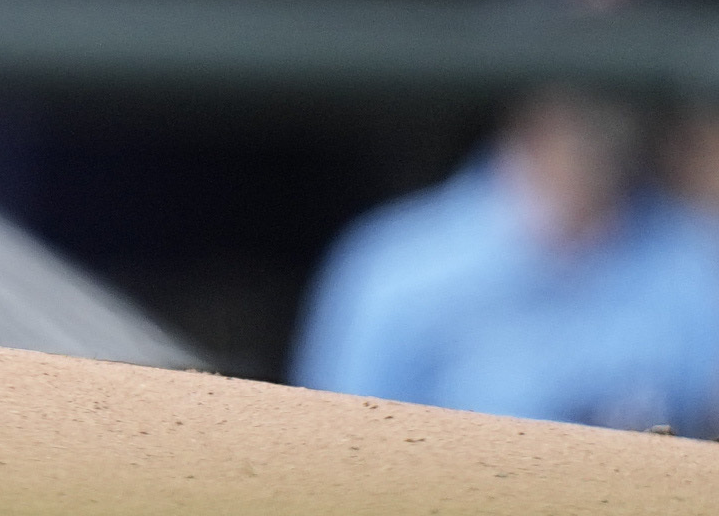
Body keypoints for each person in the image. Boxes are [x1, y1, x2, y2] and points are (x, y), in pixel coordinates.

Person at [296, 89, 719, 430]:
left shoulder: (688, 256)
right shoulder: (398, 264)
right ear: (530, 117)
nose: (604, 136)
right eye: (581, 115)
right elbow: (336, 451)